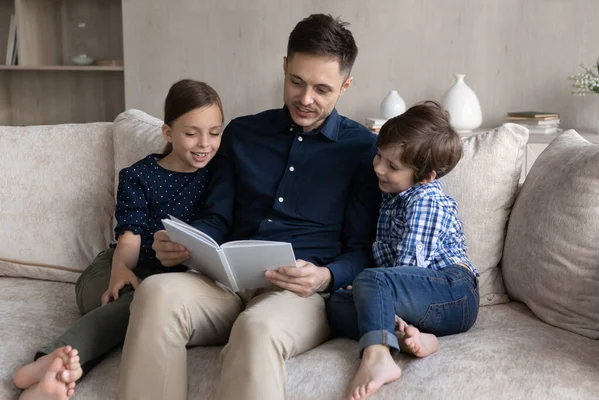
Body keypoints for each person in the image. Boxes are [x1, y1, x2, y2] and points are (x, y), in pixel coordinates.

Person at [117, 13, 381, 400]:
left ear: (346, 85)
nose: (305, 99)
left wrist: (325, 276)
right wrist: (187, 244)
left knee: (256, 328)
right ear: (285, 66)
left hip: (299, 296)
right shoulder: (242, 133)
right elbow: (217, 217)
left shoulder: (363, 150)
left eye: (322, 89)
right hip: (225, 285)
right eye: (296, 82)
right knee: (156, 293)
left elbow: (363, 249)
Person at [12, 79, 224, 400]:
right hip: (111, 271)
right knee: (132, 299)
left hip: (167, 291)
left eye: (215, 132)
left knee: (144, 304)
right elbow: (129, 237)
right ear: (168, 133)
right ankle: (51, 360)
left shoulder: (218, 177)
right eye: (191, 133)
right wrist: (120, 271)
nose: (204, 143)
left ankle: (56, 372)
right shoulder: (140, 176)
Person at [326, 101, 480, 400]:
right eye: (379, 156)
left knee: (371, 280)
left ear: (427, 176)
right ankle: (409, 337)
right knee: (336, 304)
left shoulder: (425, 200)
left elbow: (408, 269)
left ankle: (378, 358)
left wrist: (371, 288)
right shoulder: (393, 193)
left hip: (453, 292)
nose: (379, 168)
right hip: (420, 301)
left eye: (393, 166)